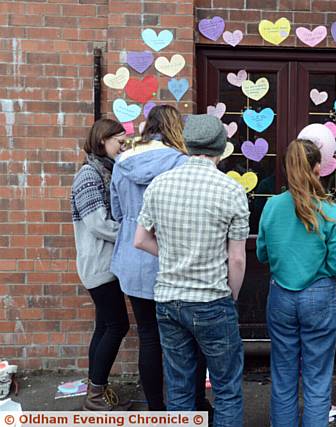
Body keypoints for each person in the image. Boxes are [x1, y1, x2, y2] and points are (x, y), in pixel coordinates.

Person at [134, 114, 248, 426]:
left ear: (186, 144)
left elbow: (140, 239)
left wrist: (172, 254)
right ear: (221, 149)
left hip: (168, 300)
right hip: (212, 299)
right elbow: (237, 259)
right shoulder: (231, 190)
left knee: (180, 388)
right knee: (227, 389)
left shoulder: (159, 185)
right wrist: (231, 295)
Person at [109, 105, 211, 413]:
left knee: (149, 337)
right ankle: (195, 404)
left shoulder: (121, 162)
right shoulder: (181, 163)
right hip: (169, 258)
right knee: (190, 339)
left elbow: (116, 211)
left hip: (131, 256)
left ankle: (155, 409)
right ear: (174, 129)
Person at [256, 138, 336, 427]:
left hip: (281, 295)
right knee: (317, 375)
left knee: (283, 373)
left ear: (287, 169)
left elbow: (262, 253)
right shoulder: (330, 211)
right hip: (319, 295)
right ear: (317, 168)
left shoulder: (272, 207)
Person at [70, 118, 131, 411]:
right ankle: (95, 396)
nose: (123, 148)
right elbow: (98, 224)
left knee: (104, 326)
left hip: (106, 264)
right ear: (101, 141)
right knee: (117, 325)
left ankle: (96, 389)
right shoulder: (88, 175)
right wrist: (133, 232)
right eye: (119, 142)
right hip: (99, 265)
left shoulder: (103, 171)